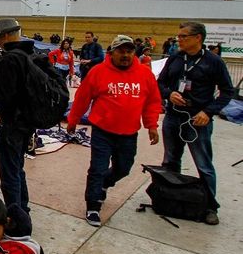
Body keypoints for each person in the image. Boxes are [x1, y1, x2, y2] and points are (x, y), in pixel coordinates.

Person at [67, 35, 162, 226]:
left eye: (129, 51)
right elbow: (82, 98)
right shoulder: (98, 72)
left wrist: (151, 125)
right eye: (121, 51)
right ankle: (93, 205)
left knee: (123, 168)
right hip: (103, 131)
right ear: (111, 53)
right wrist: (73, 120)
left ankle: (105, 184)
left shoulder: (145, 74)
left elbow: (152, 101)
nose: (125, 55)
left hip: (129, 133)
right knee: (97, 169)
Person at [157, 22, 234, 225]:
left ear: (197, 38)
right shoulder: (175, 58)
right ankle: (170, 198)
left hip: (197, 120)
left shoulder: (213, 62)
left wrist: (208, 112)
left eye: (183, 36)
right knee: (171, 160)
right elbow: (160, 83)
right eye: (179, 36)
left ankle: (210, 207)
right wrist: (169, 93)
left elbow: (227, 91)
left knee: (203, 164)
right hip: (174, 117)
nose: (179, 39)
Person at [0, 18, 36, 214]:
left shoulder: (10, 58)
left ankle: (15, 215)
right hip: (28, 121)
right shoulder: (31, 54)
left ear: (6, 35)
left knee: (9, 171)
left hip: (12, 122)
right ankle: (23, 207)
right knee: (18, 167)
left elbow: (4, 93)